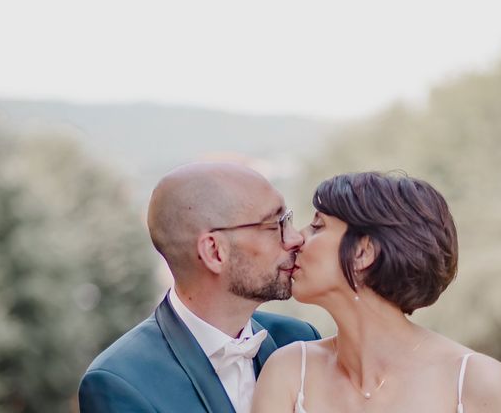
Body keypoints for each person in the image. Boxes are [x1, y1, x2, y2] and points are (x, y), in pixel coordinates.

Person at [252, 171, 501, 413]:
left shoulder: (476, 381)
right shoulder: (289, 371)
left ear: (364, 252)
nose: (298, 238)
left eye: (317, 226)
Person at [79, 162, 320, 413]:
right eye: (274, 225)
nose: (295, 238)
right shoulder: (121, 382)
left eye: (288, 219)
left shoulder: (300, 340)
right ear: (215, 251)